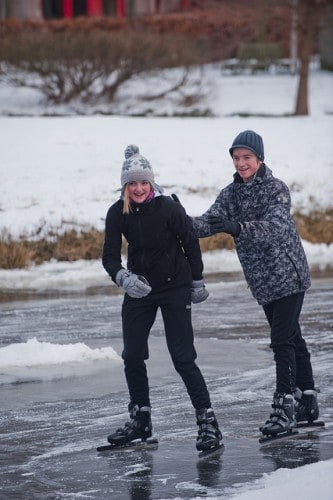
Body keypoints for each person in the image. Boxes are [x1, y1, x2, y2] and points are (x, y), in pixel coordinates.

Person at [189, 130, 319, 437]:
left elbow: (273, 227)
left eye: (247, 157)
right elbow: (207, 222)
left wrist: (236, 227)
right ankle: (309, 400)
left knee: (282, 341)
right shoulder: (230, 194)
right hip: (262, 281)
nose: (241, 163)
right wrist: (176, 218)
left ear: (259, 158)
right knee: (292, 338)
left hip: (288, 275)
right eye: (236, 158)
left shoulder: (276, 189)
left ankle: (284, 406)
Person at [102, 144, 222, 452]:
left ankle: (208, 422)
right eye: (133, 183)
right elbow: (109, 257)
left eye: (144, 182)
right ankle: (141, 420)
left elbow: (190, 242)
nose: (139, 188)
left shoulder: (168, 207)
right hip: (139, 287)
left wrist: (197, 280)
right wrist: (124, 278)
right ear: (125, 186)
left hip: (174, 286)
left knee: (182, 356)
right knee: (132, 354)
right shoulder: (117, 213)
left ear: (152, 183)